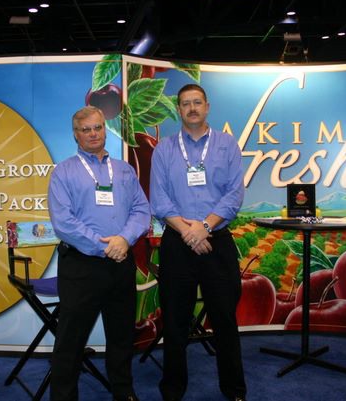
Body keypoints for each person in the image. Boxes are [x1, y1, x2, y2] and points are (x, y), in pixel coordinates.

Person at [149, 84, 247, 401]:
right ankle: (173, 388)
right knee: (175, 321)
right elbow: (159, 199)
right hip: (177, 243)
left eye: (197, 102)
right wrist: (189, 233)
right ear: (178, 109)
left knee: (225, 319)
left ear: (207, 107)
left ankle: (234, 389)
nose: (191, 108)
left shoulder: (227, 145)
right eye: (185, 103)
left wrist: (204, 227)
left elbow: (234, 195)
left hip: (216, 241)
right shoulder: (164, 149)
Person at [48, 105, 151, 401]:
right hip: (82, 266)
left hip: (121, 263)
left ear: (105, 129)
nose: (93, 134)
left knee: (121, 335)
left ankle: (123, 391)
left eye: (98, 127)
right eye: (86, 130)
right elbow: (64, 222)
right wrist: (105, 246)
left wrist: (124, 239)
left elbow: (141, 209)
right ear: (75, 135)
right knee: (71, 341)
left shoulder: (124, 170)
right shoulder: (63, 172)